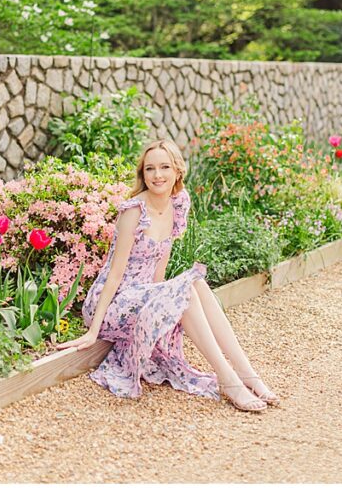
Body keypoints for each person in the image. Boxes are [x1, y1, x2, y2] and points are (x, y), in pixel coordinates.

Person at [56, 138, 280, 413]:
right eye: (150, 169)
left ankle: (247, 374)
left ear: (177, 171)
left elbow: (160, 265)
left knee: (194, 283)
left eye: (164, 167)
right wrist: (92, 331)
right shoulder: (134, 212)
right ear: (143, 174)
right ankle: (228, 379)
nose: (157, 175)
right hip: (115, 300)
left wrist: (161, 307)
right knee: (185, 289)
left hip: (145, 293)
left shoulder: (178, 203)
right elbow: (114, 275)